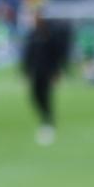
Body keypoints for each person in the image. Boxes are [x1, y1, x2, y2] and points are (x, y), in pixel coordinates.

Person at [21, 11, 71, 146]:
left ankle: (48, 121)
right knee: (34, 97)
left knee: (46, 97)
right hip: (35, 72)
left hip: (47, 72)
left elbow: (56, 54)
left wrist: (57, 71)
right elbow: (27, 55)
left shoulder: (50, 35)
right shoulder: (32, 35)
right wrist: (25, 71)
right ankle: (46, 119)